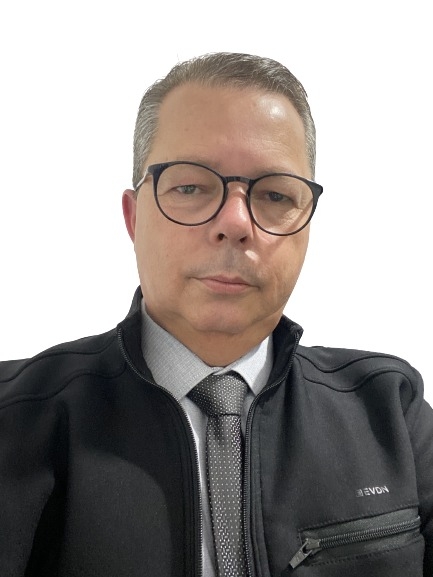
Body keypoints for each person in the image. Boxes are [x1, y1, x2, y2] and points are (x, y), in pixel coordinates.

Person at [0, 52, 431, 577]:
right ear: (134, 218)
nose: (236, 222)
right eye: (189, 187)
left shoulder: (390, 409)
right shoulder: (16, 418)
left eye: (275, 194)